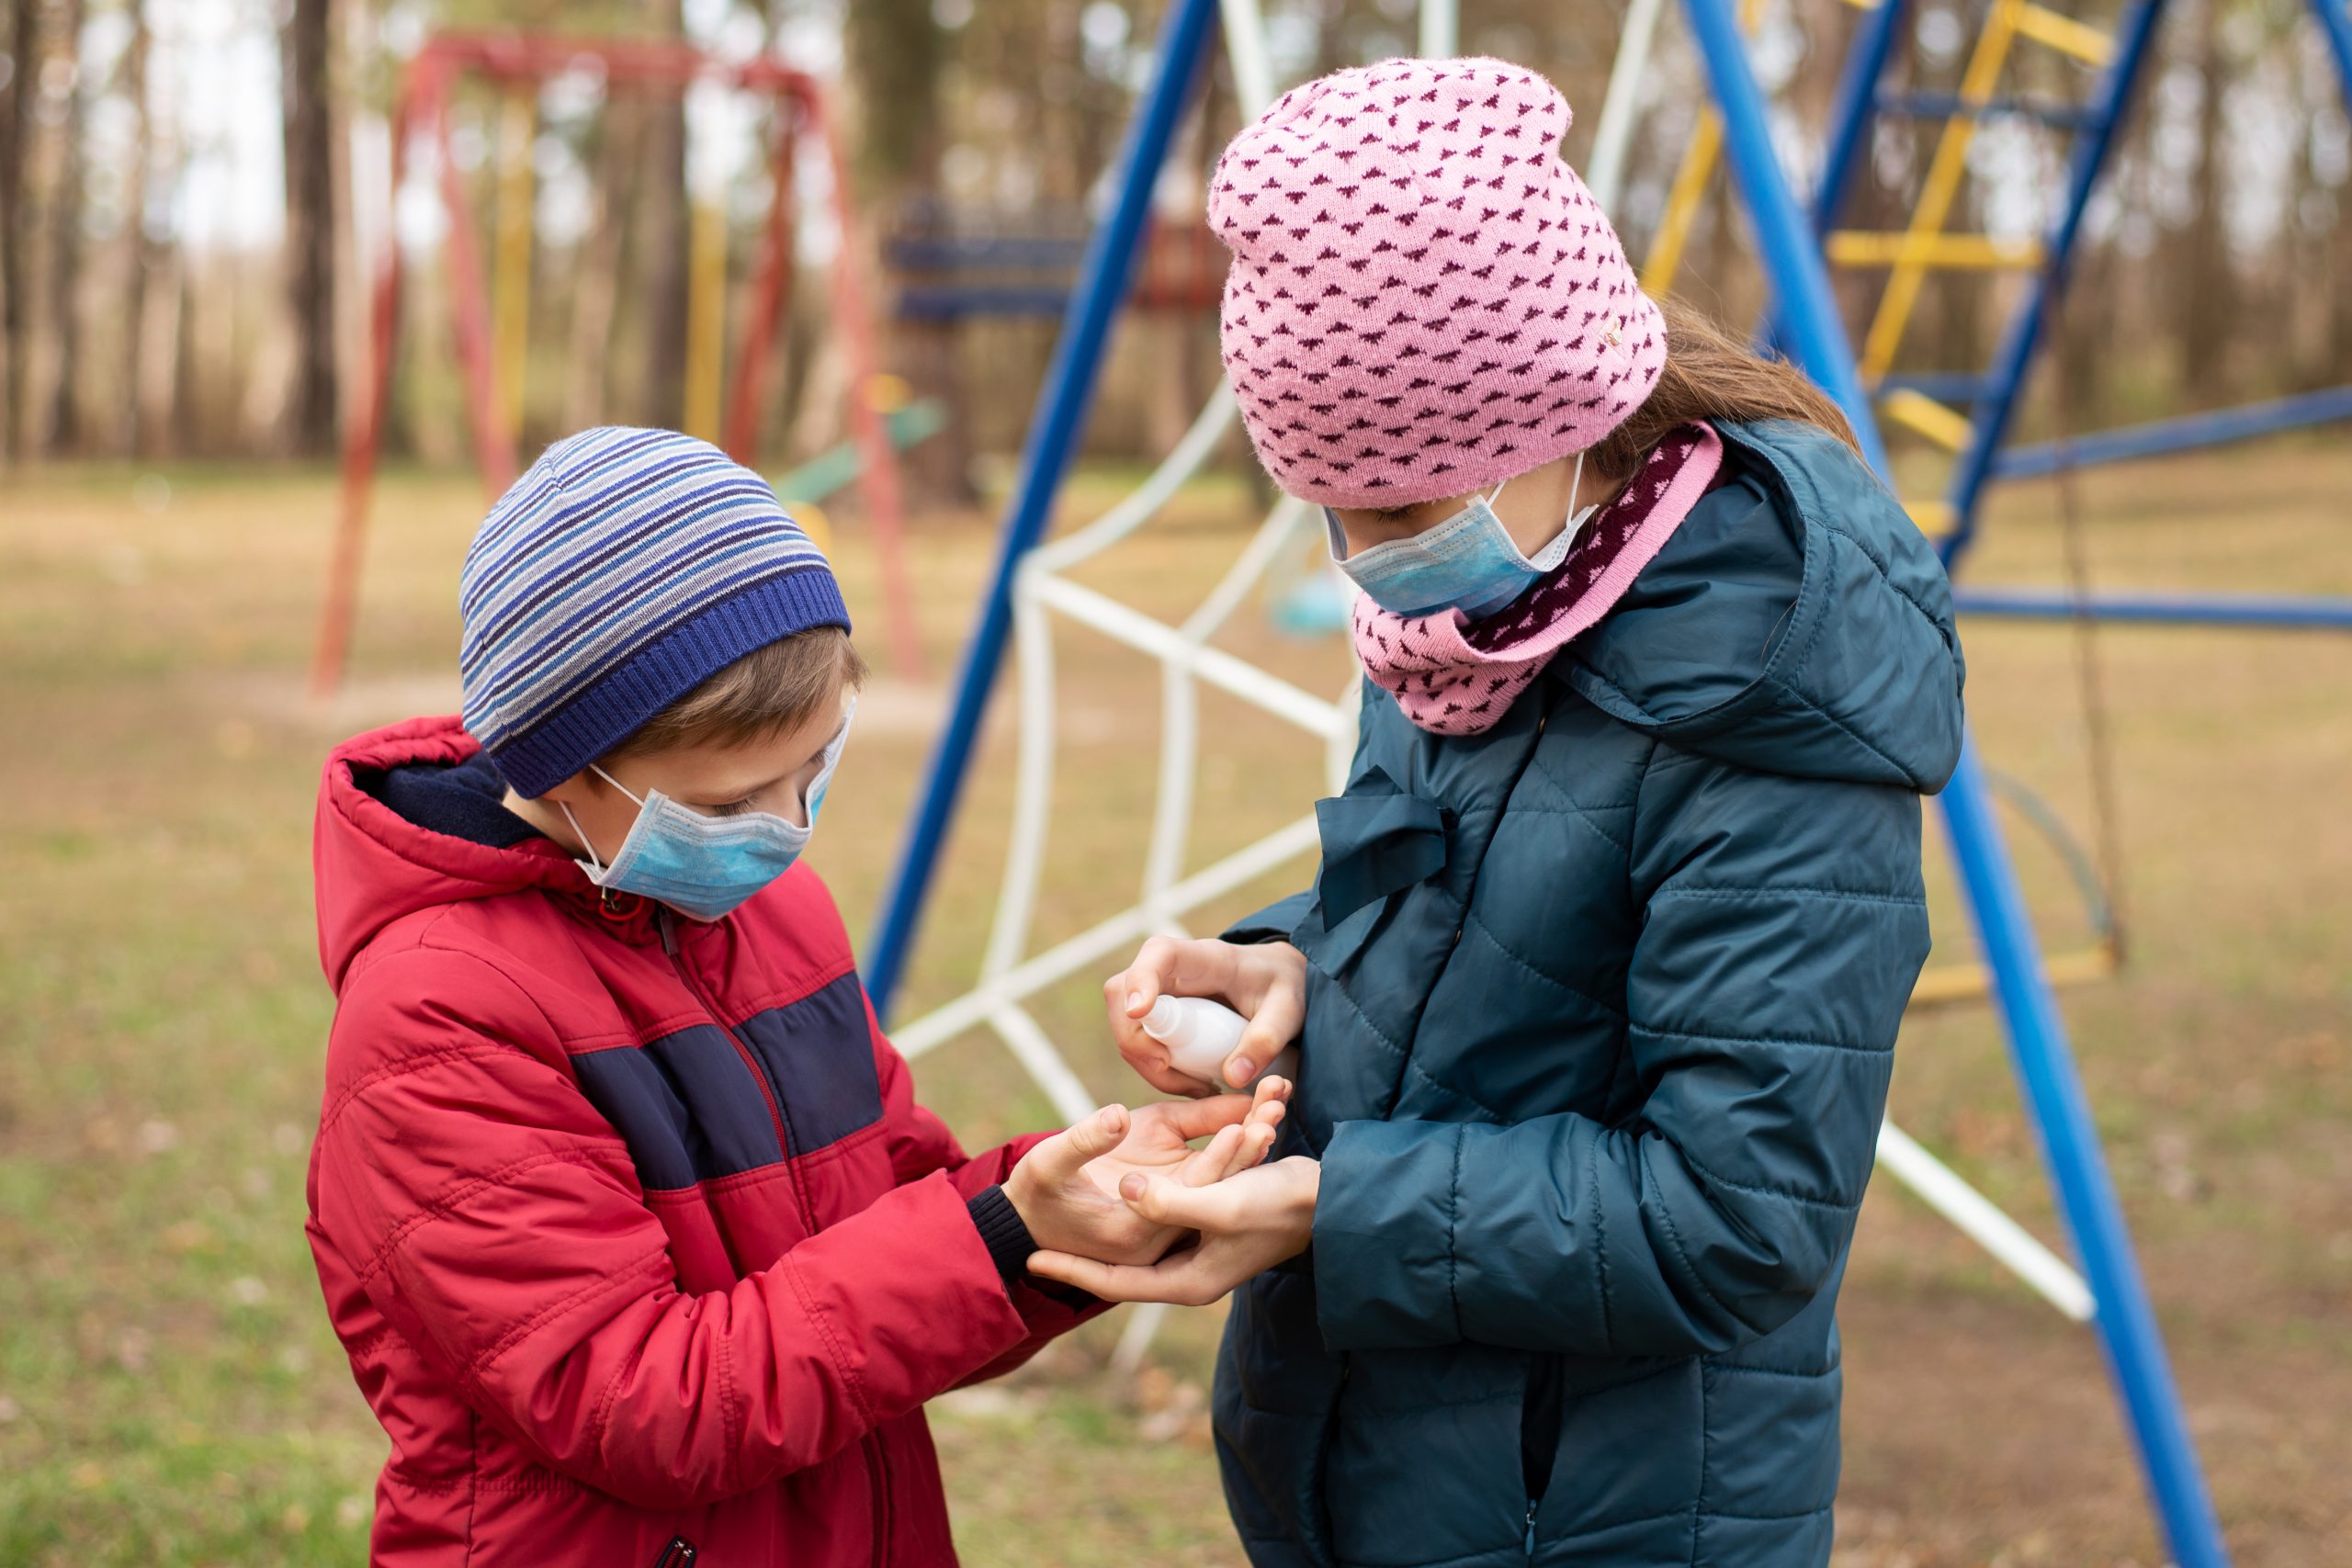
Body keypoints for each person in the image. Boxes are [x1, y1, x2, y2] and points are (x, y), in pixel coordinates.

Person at [1032, 58, 1967, 1567]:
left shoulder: (1775, 709)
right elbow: (1466, 925)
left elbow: (1739, 1215)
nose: (1368, 554)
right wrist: (1290, 970)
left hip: (1608, 1510)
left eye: (1403, 509)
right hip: (1388, 1471)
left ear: (1567, 410)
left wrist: (1336, 1213)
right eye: (1331, 508)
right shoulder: (1474, 621)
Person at [305, 426, 1288, 1567]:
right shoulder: (435, 1022)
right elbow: (636, 1404)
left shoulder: (774, 916)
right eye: (729, 804)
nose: (782, 831)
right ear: (565, 770)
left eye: (813, 772)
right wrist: (993, 1237)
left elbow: (896, 1215)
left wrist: (1061, 1211)